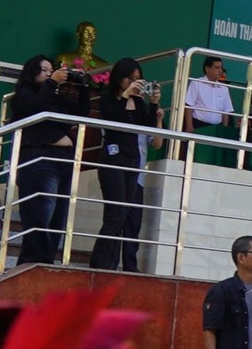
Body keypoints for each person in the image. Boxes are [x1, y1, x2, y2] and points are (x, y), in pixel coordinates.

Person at [10, 53, 92, 265]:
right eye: (44, 70)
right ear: (32, 72)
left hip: (63, 161)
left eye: (51, 70)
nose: (49, 73)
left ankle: (45, 261)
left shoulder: (56, 97)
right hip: (39, 160)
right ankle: (33, 262)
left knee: (58, 215)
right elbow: (36, 108)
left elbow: (81, 114)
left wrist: (83, 87)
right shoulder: (25, 94)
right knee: (40, 213)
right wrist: (52, 82)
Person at [89, 57, 162, 272]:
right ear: (120, 78)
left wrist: (154, 103)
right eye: (131, 78)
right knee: (115, 215)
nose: (135, 83)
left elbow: (148, 128)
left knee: (124, 215)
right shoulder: (107, 98)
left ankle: (110, 264)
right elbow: (113, 124)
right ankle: (101, 263)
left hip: (133, 160)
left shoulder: (138, 102)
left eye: (139, 79)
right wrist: (125, 96)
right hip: (113, 158)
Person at [183, 55, 238, 167]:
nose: (220, 70)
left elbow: (226, 112)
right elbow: (189, 106)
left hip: (216, 129)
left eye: (221, 68)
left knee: (213, 161)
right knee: (196, 159)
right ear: (207, 69)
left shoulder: (224, 88)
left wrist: (224, 129)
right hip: (199, 126)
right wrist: (189, 126)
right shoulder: (196, 83)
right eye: (217, 67)